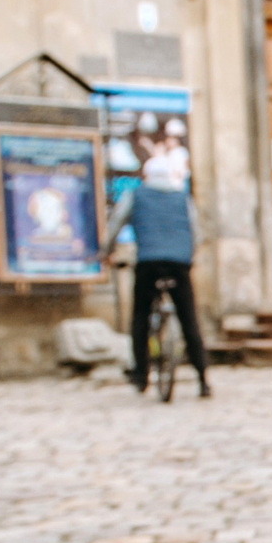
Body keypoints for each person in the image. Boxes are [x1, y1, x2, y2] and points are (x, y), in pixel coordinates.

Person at [104, 141, 210, 397]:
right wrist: (190, 255)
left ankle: (141, 374)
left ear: (147, 176)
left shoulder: (137, 195)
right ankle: (202, 378)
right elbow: (197, 232)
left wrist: (106, 250)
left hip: (149, 262)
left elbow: (116, 222)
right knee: (189, 320)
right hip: (179, 263)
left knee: (140, 315)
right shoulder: (181, 198)